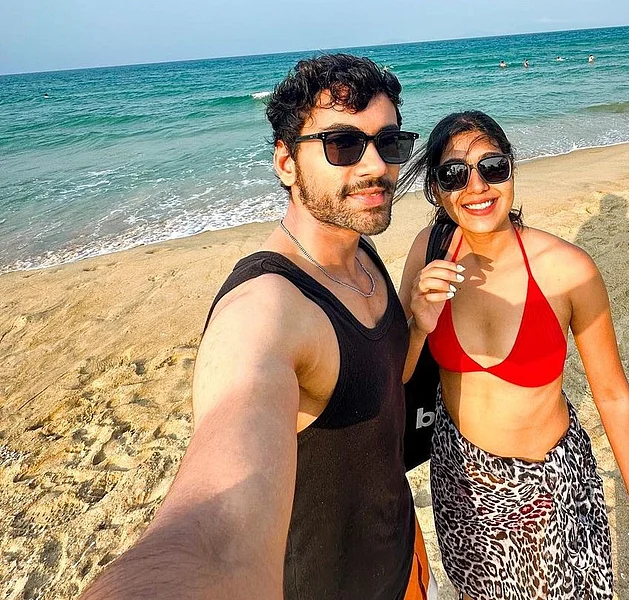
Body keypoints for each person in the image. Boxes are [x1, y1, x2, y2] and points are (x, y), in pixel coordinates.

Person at [80, 54, 434, 600]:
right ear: (286, 163)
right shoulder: (264, 308)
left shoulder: (361, 254)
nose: (374, 168)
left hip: (405, 562)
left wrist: (416, 328)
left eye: (389, 144)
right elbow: (216, 539)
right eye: (343, 145)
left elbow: (384, 381)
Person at [397, 111, 629, 600]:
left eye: (492, 167)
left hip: (548, 487)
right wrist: (417, 326)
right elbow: (401, 376)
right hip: (459, 476)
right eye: (454, 173)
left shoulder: (567, 270)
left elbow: (614, 396)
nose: (477, 186)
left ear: (512, 170)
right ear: (435, 189)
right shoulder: (426, 254)